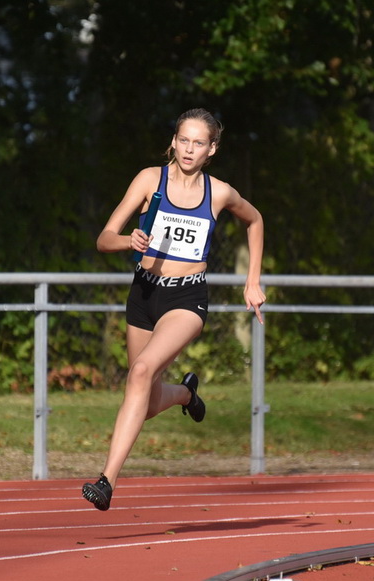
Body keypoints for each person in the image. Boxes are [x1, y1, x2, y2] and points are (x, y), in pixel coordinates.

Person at [82, 108, 266, 511]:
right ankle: (185, 394)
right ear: (174, 140)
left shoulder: (219, 193)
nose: (189, 148)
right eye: (184, 139)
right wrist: (127, 241)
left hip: (187, 298)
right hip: (144, 294)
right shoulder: (150, 180)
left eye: (199, 142)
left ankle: (106, 480)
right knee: (144, 401)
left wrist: (252, 281)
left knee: (142, 371)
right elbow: (103, 238)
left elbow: (255, 220)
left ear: (211, 149)